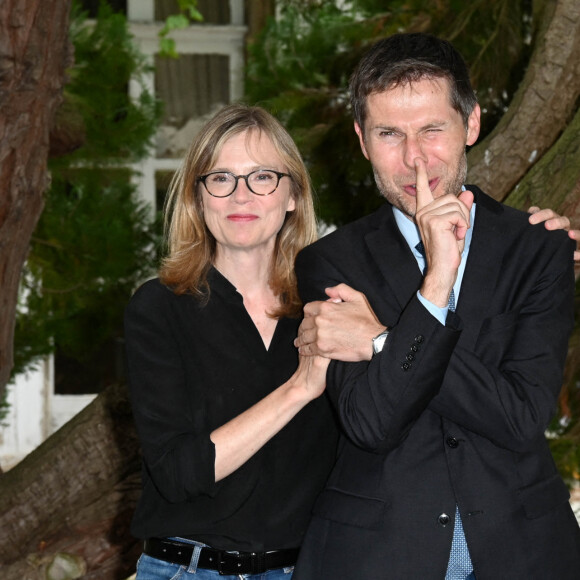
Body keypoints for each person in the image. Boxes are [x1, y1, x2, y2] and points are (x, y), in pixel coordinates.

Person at [292, 33, 580, 579]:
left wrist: (382, 341)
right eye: (388, 134)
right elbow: (371, 422)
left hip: (524, 551)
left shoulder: (539, 247)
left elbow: (521, 418)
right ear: (361, 140)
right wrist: (438, 280)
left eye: (432, 129)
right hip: (378, 556)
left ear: (470, 124)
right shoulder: (330, 262)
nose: (414, 159)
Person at [123, 104, 338, 579]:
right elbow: (180, 475)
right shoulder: (158, 309)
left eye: (262, 177)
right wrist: (299, 388)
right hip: (187, 571)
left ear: (292, 196)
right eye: (220, 178)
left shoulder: (331, 309)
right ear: (199, 198)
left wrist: (531, 235)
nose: (241, 195)